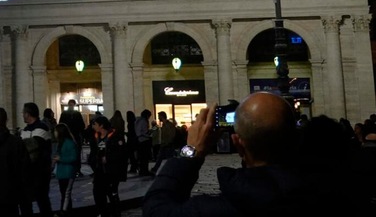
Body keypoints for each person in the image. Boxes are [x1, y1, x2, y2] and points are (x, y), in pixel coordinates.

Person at [142, 92, 351, 216]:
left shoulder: (214, 209)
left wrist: (191, 152)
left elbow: (156, 208)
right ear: (297, 138)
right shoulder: (339, 196)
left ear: (238, 144)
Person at [18, 102, 53, 216]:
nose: (22, 115)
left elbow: (32, 148)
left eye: (23, 113)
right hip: (27, 172)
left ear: (28, 114)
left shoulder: (42, 128)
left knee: (42, 200)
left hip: (40, 172)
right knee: (25, 202)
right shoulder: (26, 130)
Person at [89, 115, 127, 217]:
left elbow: (122, 154)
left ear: (101, 125)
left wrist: (109, 158)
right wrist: (93, 161)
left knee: (112, 193)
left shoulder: (115, 137)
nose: (93, 126)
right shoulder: (96, 136)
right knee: (98, 192)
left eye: (95, 124)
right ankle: (103, 212)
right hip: (100, 170)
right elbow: (94, 152)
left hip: (112, 171)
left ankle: (115, 213)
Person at [51, 123, 80, 213]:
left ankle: (64, 211)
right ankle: (65, 210)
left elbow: (74, 157)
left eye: (56, 131)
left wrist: (60, 158)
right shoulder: (61, 143)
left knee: (66, 194)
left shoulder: (69, 143)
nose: (54, 133)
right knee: (64, 193)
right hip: (62, 172)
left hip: (68, 172)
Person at [134, 109, 153, 176]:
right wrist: (149, 134)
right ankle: (144, 171)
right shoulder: (144, 121)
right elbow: (144, 131)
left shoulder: (137, 121)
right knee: (145, 157)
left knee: (141, 157)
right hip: (144, 140)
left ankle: (142, 170)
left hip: (139, 140)